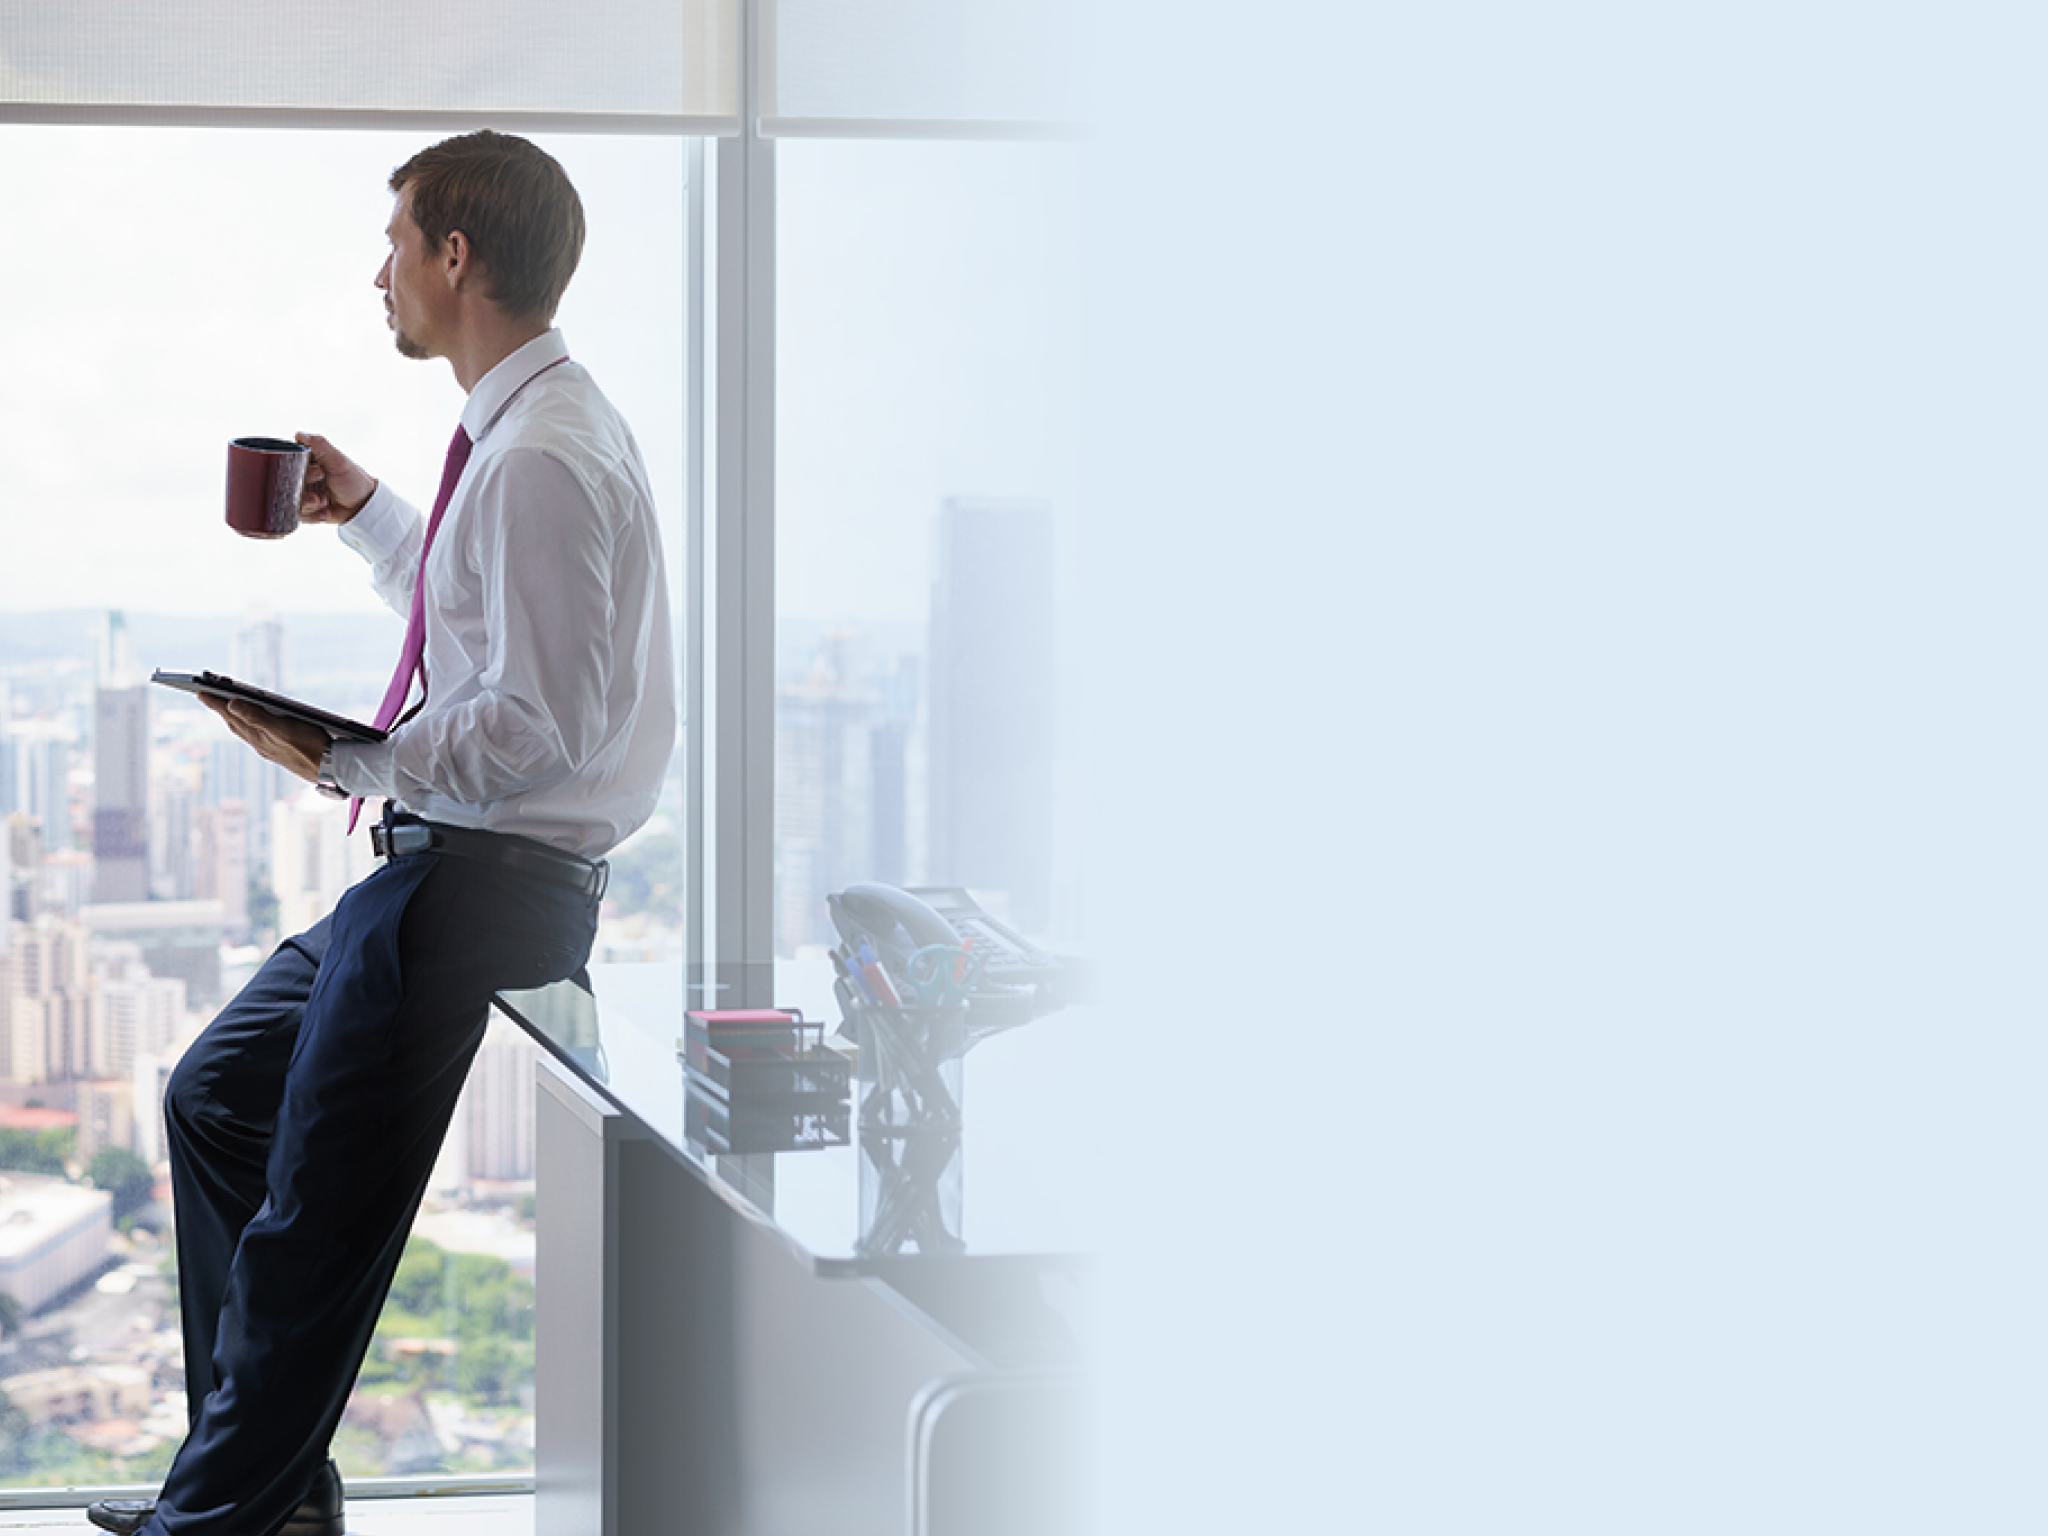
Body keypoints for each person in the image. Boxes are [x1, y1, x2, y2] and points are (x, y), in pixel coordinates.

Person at [86, 131, 675, 1536]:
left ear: (456, 257)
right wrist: (370, 519)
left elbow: (535, 723)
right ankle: (269, 1490)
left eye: (399, 242)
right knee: (217, 1096)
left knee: (317, 1222)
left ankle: (222, 1518)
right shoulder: (522, 436)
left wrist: (342, 751)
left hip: (482, 880)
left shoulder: (540, 454)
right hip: (440, 863)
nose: (382, 273)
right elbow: (481, 627)